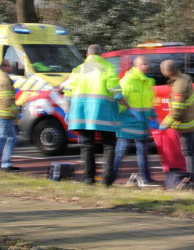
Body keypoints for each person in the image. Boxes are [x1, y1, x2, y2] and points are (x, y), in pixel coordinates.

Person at [64, 45, 123, 186]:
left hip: (82, 112)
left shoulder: (79, 69)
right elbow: (115, 92)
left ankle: (88, 178)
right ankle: (107, 180)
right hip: (104, 112)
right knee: (109, 145)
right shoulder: (107, 67)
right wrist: (126, 105)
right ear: (100, 55)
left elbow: (68, 92)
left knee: (87, 145)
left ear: (87, 55)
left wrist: (68, 112)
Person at [113, 56, 157, 185]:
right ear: (136, 65)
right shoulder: (127, 80)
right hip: (127, 121)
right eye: (143, 64)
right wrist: (127, 112)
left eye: (147, 64)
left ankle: (146, 178)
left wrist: (152, 114)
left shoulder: (148, 81)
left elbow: (148, 100)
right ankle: (111, 176)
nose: (146, 66)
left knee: (143, 150)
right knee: (121, 149)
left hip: (141, 121)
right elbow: (119, 99)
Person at [159, 59, 194, 177]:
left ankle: (191, 178)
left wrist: (165, 123)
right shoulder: (184, 77)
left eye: (162, 70)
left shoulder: (178, 87)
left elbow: (177, 112)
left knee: (187, 152)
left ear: (167, 72)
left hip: (186, 123)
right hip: (193, 119)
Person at [0, 60, 20, 171]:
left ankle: (5, 163)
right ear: (3, 67)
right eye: (9, 65)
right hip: (5, 114)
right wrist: (16, 112)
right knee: (2, 138)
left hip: (0, 112)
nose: (11, 67)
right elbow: (7, 99)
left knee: (10, 138)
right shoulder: (5, 80)